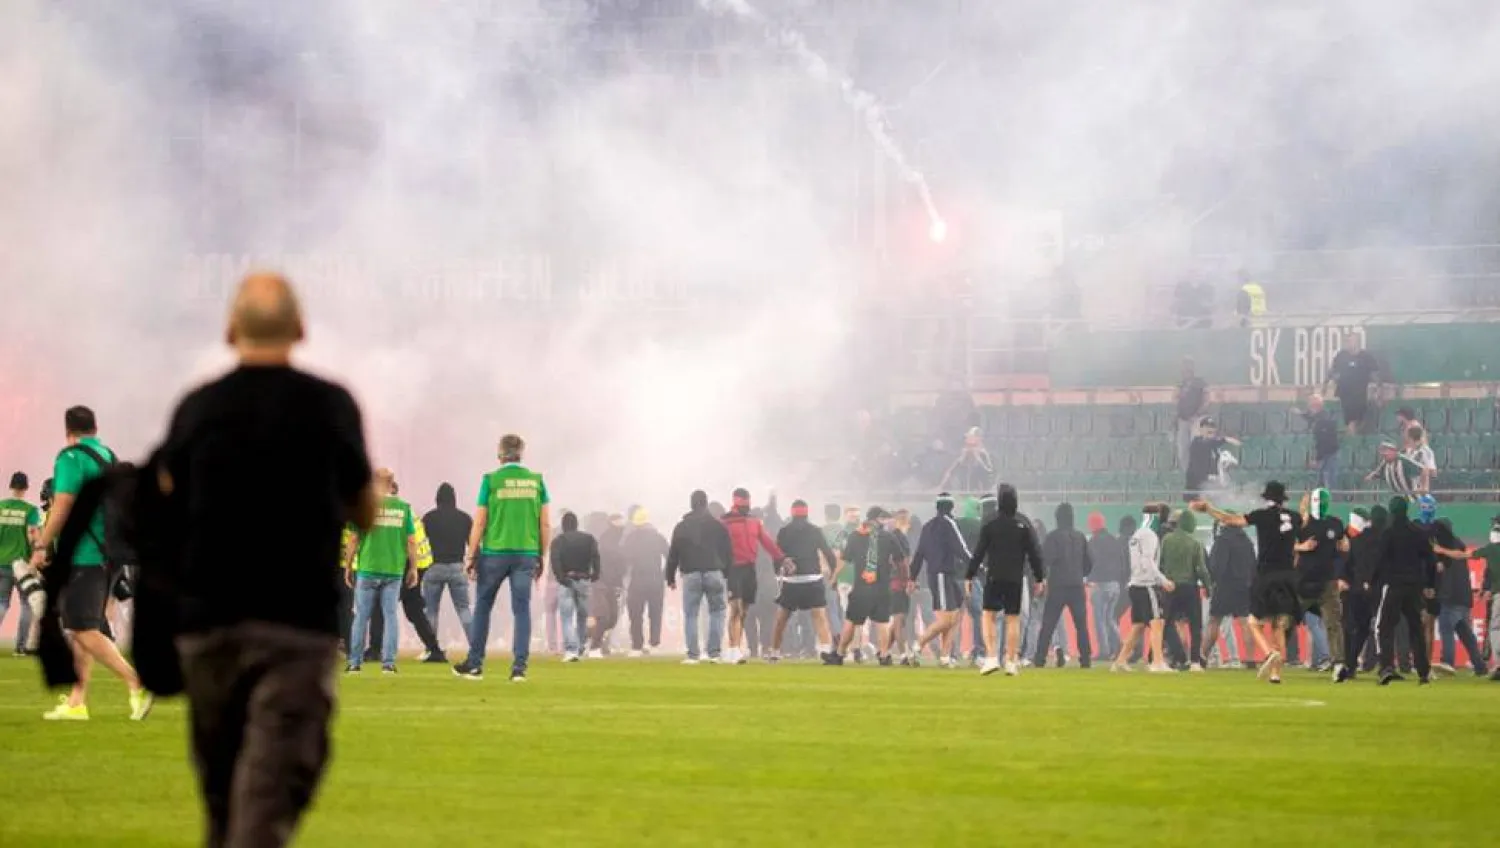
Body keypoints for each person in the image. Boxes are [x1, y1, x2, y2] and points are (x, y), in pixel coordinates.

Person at [155, 271, 376, 845]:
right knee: (266, 800)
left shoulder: (198, 408)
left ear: (230, 330)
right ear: (301, 328)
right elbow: (365, 510)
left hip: (208, 628)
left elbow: (166, 502)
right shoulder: (330, 406)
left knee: (222, 797)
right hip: (294, 626)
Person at [32, 406, 152, 721]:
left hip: (85, 555)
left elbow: (63, 503)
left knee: (81, 628)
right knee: (83, 626)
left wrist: (42, 544)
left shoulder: (71, 457)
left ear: (68, 431)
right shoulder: (108, 456)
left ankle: (136, 682)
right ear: (95, 428)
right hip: (112, 554)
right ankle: (77, 702)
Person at [453, 434, 550, 683]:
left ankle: (475, 664)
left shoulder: (491, 480)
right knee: (522, 609)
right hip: (526, 553)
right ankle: (519, 668)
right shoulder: (537, 481)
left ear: (500, 454)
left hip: (494, 553)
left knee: (483, 607)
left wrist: (471, 555)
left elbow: (479, 521)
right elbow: (545, 524)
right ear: (521, 453)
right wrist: (541, 554)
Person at [1192, 481, 1303, 684]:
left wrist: (1208, 508)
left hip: (1264, 576)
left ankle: (1268, 653)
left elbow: (1230, 520)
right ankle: (1273, 673)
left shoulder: (1260, 516)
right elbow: (1299, 542)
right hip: (1287, 577)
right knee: (1278, 625)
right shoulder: (1295, 518)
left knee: (1251, 621)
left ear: (1266, 498)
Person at [344, 469, 420, 674]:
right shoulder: (404, 508)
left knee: (361, 616)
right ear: (391, 483)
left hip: (368, 568)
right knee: (390, 616)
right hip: (393, 571)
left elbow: (353, 539)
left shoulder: (365, 505)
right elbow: (411, 541)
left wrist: (348, 566)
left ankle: (354, 663)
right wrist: (413, 568)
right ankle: (388, 664)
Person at [966, 484, 1045, 677]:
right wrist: (1040, 577)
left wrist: (969, 575)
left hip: (994, 576)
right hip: (1016, 578)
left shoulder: (990, 524)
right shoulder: (1023, 524)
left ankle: (991, 657)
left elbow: (979, 552)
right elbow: (1034, 553)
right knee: (1013, 618)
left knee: (988, 616)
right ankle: (1011, 660)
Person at [720, 488, 790, 665]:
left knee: (744, 611)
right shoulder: (725, 522)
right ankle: (733, 649)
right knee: (736, 609)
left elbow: (767, 542)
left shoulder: (754, 523)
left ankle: (736, 647)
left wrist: (782, 558)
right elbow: (716, 545)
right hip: (734, 569)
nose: (746, 506)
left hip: (749, 570)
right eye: (743, 503)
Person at [1372, 496, 1435, 685]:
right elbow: (1430, 559)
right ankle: (1423, 671)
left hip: (1394, 585)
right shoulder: (1417, 532)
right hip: (1414, 586)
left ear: (1391, 511)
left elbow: (1379, 559)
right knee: (1416, 628)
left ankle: (1386, 667)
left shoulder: (1388, 533)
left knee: (1385, 627)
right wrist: (1430, 584)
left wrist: (1372, 581)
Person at [826, 507, 900, 666]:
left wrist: (834, 578)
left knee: (851, 621)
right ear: (877, 519)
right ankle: (884, 655)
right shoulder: (888, 537)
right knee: (882, 623)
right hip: (881, 587)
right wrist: (905, 578)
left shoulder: (855, 536)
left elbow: (844, 559)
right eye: (883, 519)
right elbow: (900, 560)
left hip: (861, 587)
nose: (885, 521)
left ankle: (839, 654)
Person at [667, 490, 732, 664]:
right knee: (717, 612)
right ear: (706, 503)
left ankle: (693, 655)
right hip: (714, 572)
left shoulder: (681, 527)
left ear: (691, 504)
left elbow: (673, 554)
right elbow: (728, 553)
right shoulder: (718, 526)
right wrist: (727, 575)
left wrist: (670, 577)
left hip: (691, 573)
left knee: (691, 615)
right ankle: (714, 653)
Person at [768, 499, 836, 662]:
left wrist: (777, 574)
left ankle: (774, 652)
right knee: (820, 617)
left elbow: (777, 556)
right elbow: (829, 554)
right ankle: (826, 650)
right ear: (807, 513)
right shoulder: (815, 531)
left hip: (791, 582)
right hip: (813, 579)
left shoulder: (784, 532)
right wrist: (833, 574)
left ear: (792, 513)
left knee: (781, 619)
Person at [910, 493, 972, 667]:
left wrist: (912, 576)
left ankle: (945, 656)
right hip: (942, 574)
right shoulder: (949, 523)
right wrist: (977, 565)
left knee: (954, 616)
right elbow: (961, 548)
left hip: (938, 574)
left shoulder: (927, 526)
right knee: (946, 619)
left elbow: (919, 554)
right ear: (951, 506)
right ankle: (918, 645)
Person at [1423, 504, 1485, 677]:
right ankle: (1479, 665)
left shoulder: (1442, 550)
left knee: (1446, 630)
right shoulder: (1459, 545)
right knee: (1466, 634)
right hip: (1464, 597)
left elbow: (1441, 573)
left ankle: (1447, 662)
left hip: (1449, 597)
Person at [1112, 503, 1175, 673]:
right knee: (1157, 622)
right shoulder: (1150, 535)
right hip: (1147, 585)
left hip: (1135, 584)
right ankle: (1158, 662)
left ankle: (1120, 661)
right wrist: (1163, 580)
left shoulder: (1137, 534)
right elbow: (1148, 561)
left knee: (1138, 626)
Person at [1031, 503, 1093, 669]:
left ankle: (1040, 659)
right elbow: (1089, 563)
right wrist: (1080, 573)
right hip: (1077, 586)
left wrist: (1041, 578)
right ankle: (1085, 659)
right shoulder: (1080, 537)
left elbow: (1045, 560)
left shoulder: (1053, 537)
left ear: (1057, 518)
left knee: (1048, 624)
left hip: (1058, 585)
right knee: (1081, 625)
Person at [1295, 488, 1347, 678]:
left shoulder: (1335, 523)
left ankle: (1338, 663)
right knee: (1286, 619)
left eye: (1321, 501)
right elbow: (1286, 544)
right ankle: (1274, 655)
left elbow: (1343, 546)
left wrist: (1340, 572)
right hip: (1304, 581)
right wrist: (1302, 547)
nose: (1320, 504)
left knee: (1333, 622)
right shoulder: (1303, 523)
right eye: (1317, 501)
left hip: (1326, 582)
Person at [421, 483, 473, 652]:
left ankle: (431, 649)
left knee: (431, 611)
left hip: (433, 567)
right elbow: (472, 544)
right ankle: (476, 646)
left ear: (437, 499)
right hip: (458, 567)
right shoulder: (465, 518)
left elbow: (420, 543)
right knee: (464, 609)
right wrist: (473, 565)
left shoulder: (428, 518)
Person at [1158, 508, 1211, 671]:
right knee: (1195, 626)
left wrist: (1162, 582)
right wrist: (1208, 587)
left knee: (1167, 623)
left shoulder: (1166, 540)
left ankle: (1178, 656)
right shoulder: (1195, 543)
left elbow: (1160, 563)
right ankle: (1195, 661)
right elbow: (1201, 569)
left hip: (1170, 587)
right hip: (1190, 588)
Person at [1336, 507, 1385, 682]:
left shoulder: (1357, 541)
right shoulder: (1384, 541)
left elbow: (1348, 564)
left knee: (1352, 627)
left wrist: (1343, 579)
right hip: (1378, 590)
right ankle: (1381, 664)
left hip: (1355, 589)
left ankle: (1350, 664)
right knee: (1374, 628)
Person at [0, 472, 43, 656]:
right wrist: (36, 556)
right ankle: (20, 647)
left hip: (1, 563)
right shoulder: (30, 510)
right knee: (26, 604)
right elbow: (32, 534)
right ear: (25, 488)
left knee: (2, 602)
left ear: (11, 486)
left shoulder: (1, 507)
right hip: (22, 565)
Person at [1204, 520, 1255, 668]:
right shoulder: (1247, 541)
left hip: (1224, 586)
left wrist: (1211, 582)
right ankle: (1250, 660)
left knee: (1214, 621)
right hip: (1244, 586)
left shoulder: (1222, 540)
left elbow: (1216, 565)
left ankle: (1203, 657)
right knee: (1245, 622)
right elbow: (1253, 565)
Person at [549, 511, 599, 662]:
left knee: (566, 617)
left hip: (567, 581)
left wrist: (561, 578)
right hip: (584, 579)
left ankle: (571, 650)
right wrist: (595, 574)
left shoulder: (558, 541)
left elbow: (555, 561)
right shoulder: (589, 539)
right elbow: (596, 557)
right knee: (582, 616)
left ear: (563, 525)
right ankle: (580, 646)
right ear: (577, 524)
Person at [621, 506, 668, 657]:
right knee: (655, 613)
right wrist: (665, 574)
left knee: (635, 614)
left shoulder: (631, 538)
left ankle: (637, 646)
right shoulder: (658, 537)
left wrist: (624, 576)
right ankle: (654, 644)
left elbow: (624, 559)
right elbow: (670, 556)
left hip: (637, 579)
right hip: (656, 579)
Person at [1325, 334, 1381, 435]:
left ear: (1357, 342)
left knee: (1360, 419)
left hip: (1360, 393)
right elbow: (1332, 370)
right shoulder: (1341, 355)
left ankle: (1355, 434)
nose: (1349, 344)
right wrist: (1328, 382)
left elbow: (1374, 373)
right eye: (1348, 341)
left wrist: (1377, 388)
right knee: (1350, 420)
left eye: (1352, 341)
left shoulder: (1365, 356)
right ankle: (1351, 436)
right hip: (1345, 393)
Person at [588, 513, 626, 658]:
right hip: (600, 582)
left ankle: (586, 635)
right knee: (603, 616)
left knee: (612, 618)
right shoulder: (605, 540)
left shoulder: (619, 541)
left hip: (612, 584)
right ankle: (594, 648)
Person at [1184, 418, 1241, 501]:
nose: (1210, 429)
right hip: (1196, 486)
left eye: (1212, 427)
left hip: (1210, 486)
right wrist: (1225, 439)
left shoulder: (1215, 448)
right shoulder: (1197, 442)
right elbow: (1208, 443)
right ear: (1201, 429)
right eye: (1206, 427)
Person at [1291, 394, 1341, 490]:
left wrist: (1317, 460)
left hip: (1329, 454)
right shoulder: (1320, 416)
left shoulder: (1323, 420)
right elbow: (1310, 417)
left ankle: (1331, 497)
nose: (1309, 408)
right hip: (1326, 453)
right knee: (1322, 481)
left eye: (1310, 405)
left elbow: (1324, 441)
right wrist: (1300, 413)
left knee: (1328, 481)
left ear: (1316, 406)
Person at [1175, 357, 1210, 472]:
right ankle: (1188, 473)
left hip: (1196, 420)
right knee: (1182, 450)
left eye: (1188, 366)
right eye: (1184, 367)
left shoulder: (1200, 383)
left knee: (1196, 449)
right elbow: (1175, 399)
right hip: (1183, 420)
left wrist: (1198, 414)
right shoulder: (1180, 384)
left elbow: (1206, 401)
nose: (1186, 370)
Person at [818, 504, 846, 640]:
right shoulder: (845, 531)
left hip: (827, 572)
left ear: (826, 515)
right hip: (846, 574)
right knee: (842, 607)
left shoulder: (821, 531)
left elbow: (820, 553)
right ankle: (846, 637)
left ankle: (838, 638)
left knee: (831, 607)